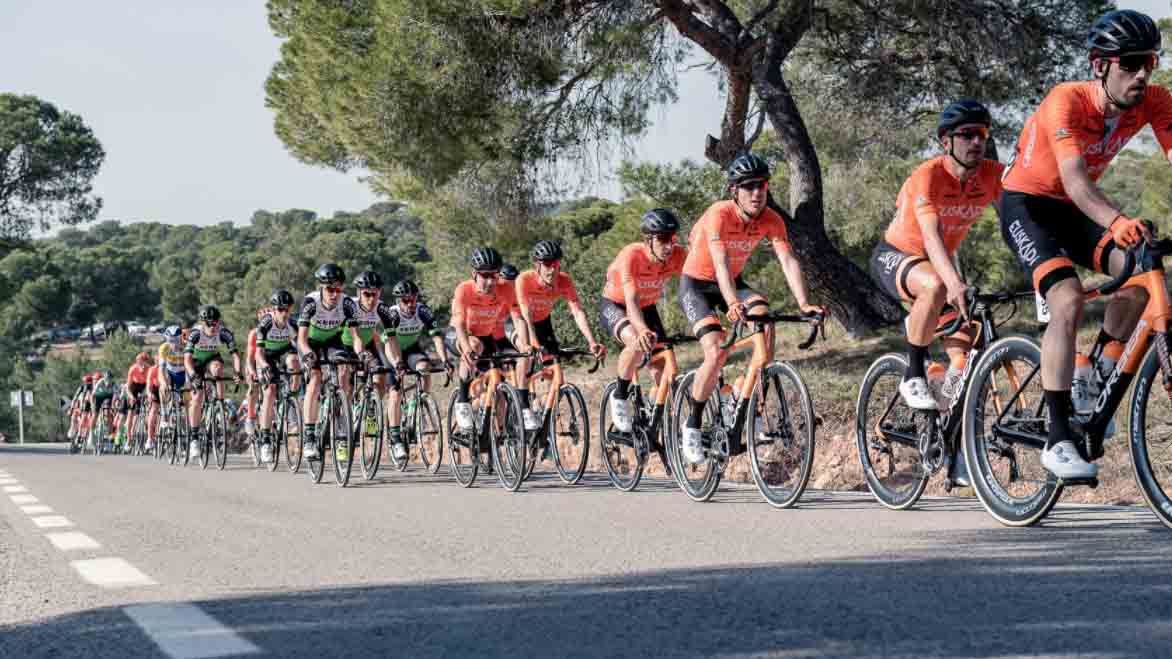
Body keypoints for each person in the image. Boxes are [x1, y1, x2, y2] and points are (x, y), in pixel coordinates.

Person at [998, 9, 1172, 480]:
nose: (1141, 75)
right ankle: (1056, 439)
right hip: (1027, 205)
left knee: (1144, 272)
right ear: (1100, 65)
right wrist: (1116, 220)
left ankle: (1096, 370)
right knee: (1068, 297)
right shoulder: (1066, 101)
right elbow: (1075, 183)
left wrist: (1120, 228)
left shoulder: (1154, 100)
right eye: (1130, 63)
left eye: (1150, 63)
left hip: (1076, 211)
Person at [677, 153, 823, 464]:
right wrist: (730, 303)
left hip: (733, 280)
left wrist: (804, 303)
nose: (757, 192)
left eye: (763, 186)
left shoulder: (771, 219)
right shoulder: (719, 214)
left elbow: (787, 260)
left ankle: (749, 404)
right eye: (749, 186)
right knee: (716, 353)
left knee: (764, 321)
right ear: (735, 191)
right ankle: (692, 423)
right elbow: (719, 263)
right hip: (698, 285)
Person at [870, 100, 1004, 411]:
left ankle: (947, 423)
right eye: (968, 134)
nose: (977, 142)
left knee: (966, 355)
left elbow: (1022, 216)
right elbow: (930, 236)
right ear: (947, 142)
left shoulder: (992, 175)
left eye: (982, 134)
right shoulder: (927, 175)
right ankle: (913, 372)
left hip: (936, 266)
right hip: (896, 255)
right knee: (935, 285)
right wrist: (955, 283)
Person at [601, 208, 688, 433]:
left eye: (672, 239)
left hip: (647, 307)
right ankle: (619, 395)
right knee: (636, 343)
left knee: (664, 372)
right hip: (617, 305)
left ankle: (655, 416)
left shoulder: (678, 255)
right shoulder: (631, 256)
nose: (669, 246)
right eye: (662, 240)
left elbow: (697, 283)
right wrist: (640, 330)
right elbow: (631, 300)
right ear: (648, 240)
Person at [514, 240, 606, 431]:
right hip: (521, 320)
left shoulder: (564, 281)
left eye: (556, 264)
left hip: (543, 322)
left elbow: (577, 312)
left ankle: (546, 423)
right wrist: (533, 344)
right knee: (526, 353)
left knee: (557, 374)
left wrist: (591, 341)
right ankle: (523, 407)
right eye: (547, 264)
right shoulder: (524, 279)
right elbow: (525, 314)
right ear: (536, 266)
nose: (552, 269)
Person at [450, 247, 531, 432]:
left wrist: (525, 345)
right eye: (484, 276)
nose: (489, 281)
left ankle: (501, 434)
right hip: (461, 335)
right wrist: (466, 348)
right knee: (474, 345)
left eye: (494, 276)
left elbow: (518, 318)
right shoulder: (464, 290)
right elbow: (459, 324)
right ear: (474, 274)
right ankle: (462, 401)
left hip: (487, 338)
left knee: (499, 389)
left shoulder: (505, 290)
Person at [297, 263, 366, 460]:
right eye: (330, 289)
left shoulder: (347, 304)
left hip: (332, 341)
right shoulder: (311, 302)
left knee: (343, 367)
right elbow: (301, 339)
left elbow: (356, 337)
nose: (334, 294)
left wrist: (361, 354)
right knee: (316, 378)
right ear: (321, 287)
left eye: (338, 289)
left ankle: (341, 426)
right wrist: (309, 355)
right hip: (310, 343)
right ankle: (309, 437)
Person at [383, 279, 448, 459]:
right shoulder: (392, 315)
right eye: (405, 300)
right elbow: (389, 343)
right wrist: (397, 363)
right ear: (398, 301)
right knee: (395, 391)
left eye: (413, 299)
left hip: (411, 348)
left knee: (425, 367)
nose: (410, 303)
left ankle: (420, 401)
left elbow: (436, 337)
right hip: (391, 351)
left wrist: (445, 359)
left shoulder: (422, 311)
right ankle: (395, 438)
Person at [345, 270, 406, 461]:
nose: (371, 299)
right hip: (346, 344)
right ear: (359, 292)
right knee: (345, 383)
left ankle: (371, 411)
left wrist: (398, 362)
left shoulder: (382, 309)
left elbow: (392, 339)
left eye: (375, 293)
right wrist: (362, 355)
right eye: (367, 294)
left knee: (380, 378)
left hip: (368, 342)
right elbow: (355, 338)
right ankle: (344, 422)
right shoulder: (351, 307)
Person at [184, 305, 242, 458]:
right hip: (195, 362)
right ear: (203, 323)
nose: (212, 326)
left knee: (217, 370)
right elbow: (187, 359)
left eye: (215, 323)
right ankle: (194, 438)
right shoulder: (195, 333)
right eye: (209, 323)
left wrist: (237, 372)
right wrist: (192, 375)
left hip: (211, 359)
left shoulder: (224, 332)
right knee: (197, 398)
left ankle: (220, 402)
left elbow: (235, 355)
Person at [254, 290, 299, 464]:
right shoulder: (265, 324)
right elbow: (258, 354)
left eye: (287, 309)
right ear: (273, 310)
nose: (284, 313)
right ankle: (265, 440)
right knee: (270, 391)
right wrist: (264, 365)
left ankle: (291, 401)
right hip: (268, 356)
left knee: (294, 362)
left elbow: (300, 346)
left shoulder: (292, 323)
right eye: (280, 310)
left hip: (285, 351)